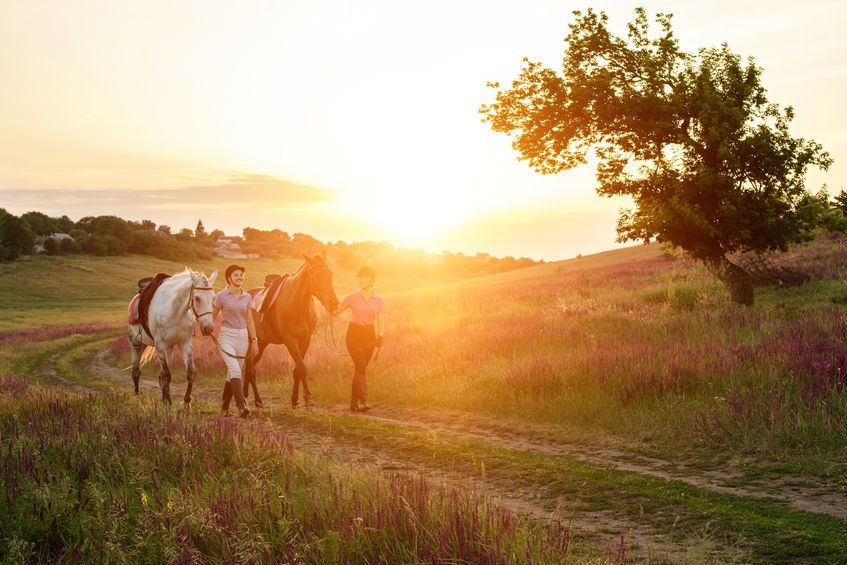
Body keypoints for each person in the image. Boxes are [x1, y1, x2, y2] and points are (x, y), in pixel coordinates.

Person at [332, 266, 386, 412]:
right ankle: (364, 401)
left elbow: (380, 319)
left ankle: (353, 404)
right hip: (354, 334)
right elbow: (336, 311)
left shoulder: (379, 300)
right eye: (360, 277)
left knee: (359, 369)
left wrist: (380, 336)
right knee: (361, 366)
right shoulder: (352, 297)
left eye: (365, 277)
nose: (362, 279)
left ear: (372, 279)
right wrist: (330, 305)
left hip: (369, 335)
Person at [213, 264, 258, 417]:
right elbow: (212, 316)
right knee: (235, 369)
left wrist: (254, 339)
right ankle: (242, 407)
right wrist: (206, 328)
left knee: (233, 372)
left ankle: (224, 407)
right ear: (229, 278)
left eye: (241, 275)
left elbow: (249, 320)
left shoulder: (247, 297)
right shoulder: (221, 296)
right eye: (236, 275)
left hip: (243, 338)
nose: (240, 277)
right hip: (226, 336)